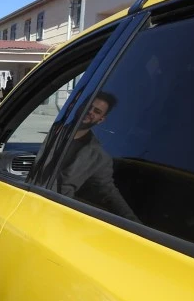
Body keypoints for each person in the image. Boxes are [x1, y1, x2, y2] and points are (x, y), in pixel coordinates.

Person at [56, 92, 139, 222]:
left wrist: (133, 223)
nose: (90, 111)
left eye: (97, 111)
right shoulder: (55, 132)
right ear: (80, 106)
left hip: (57, 212)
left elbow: (109, 192)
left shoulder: (98, 156)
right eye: (88, 106)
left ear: (101, 119)